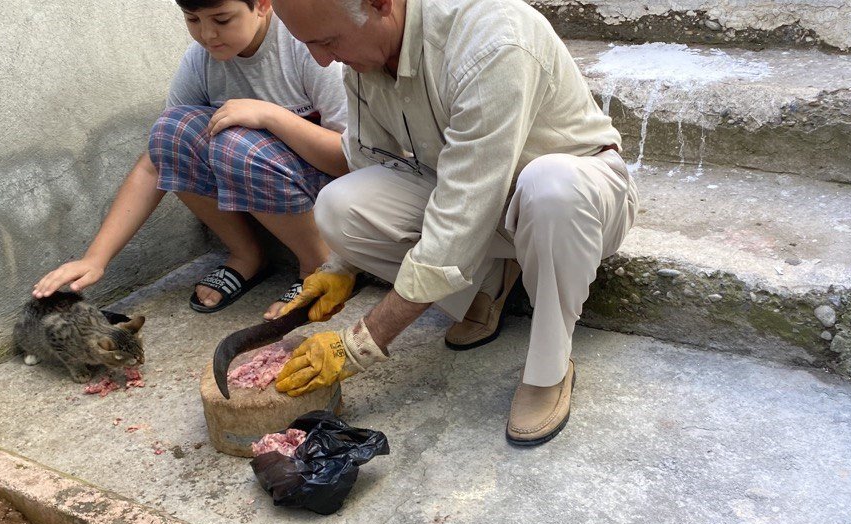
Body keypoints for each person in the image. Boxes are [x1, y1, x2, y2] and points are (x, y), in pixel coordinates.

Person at [269, 0, 638, 445]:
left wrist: (361, 344)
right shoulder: (364, 54)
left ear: (380, 4)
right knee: (339, 206)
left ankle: (549, 367)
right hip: (477, 198)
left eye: (328, 41)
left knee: (549, 185)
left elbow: (461, 214)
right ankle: (490, 281)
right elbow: (373, 164)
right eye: (309, 44)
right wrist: (340, 268)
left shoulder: (492, 37)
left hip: (579, 199)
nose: (322, 59)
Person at [33, 0, 349, 318]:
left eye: (222, 20)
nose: (208, 35)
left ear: (263, 5)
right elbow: (157, 160)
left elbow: (349, 158)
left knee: (232, 142)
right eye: (193, 20)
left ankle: (319, 266)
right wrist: (95, 259)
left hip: (331, 190)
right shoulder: (201, 61)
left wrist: (270, 116)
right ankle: (246, 254)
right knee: (171, 131)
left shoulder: (303, 43)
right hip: (266, 175)